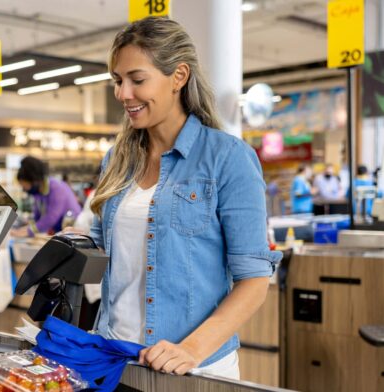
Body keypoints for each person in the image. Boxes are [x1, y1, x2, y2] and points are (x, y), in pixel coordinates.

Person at [89, 17, 281, 379]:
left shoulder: (228, 158)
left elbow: (254, 281)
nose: (122, 93)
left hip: (193, 368)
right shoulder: (116, 161)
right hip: (115, 355)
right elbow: (104, 250)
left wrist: (191, 350)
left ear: (179, 76)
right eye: (118, 81)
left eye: (137, 79)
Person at [11, 156, 82, 237]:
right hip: (59, 232)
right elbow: (37, 216)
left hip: (73, 233)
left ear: (34, 181)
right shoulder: (38, 193)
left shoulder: (57, 188)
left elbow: (51, 217)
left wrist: (29, 231)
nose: (24, 189)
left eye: (24, 185)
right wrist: (27, 228)